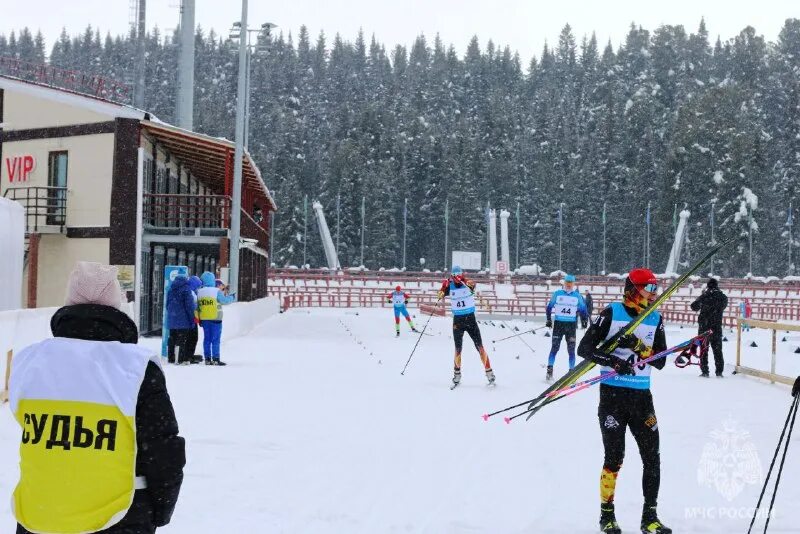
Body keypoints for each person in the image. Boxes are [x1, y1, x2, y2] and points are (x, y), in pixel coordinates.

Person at [9, 261, 184, 534]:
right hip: (119, 515)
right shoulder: (134, 368)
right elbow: (162, 448)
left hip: (40, 514)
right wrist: (160, 509)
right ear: (116, 307)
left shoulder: (31, 360)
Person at [577, 267, 671, 534]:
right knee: (614, 457)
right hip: (612, 397)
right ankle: (606, 516)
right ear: (633, 290)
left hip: (642, 398)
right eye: (649, 288)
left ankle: (650, 517)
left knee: (652, 458)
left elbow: (661, 361)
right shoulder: (612, 313)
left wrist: (639, 347)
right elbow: (585, 348)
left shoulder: (655, 318)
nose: (654, 294)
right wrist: (613, 361)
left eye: (656, 289)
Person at [437, 265, 495, 387]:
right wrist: (443, 287)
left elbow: (473, 285)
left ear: (462, 274)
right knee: (458, 349)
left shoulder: (467, 282)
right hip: (458, 321)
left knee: (480, 347)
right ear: (452, 276)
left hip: (470, 320)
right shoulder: (450, 285)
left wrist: (465, 282)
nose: (457, 277)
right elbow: (440, 295)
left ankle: (489, 373)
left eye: (459, 275)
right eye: (455, 275)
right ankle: (457, 375)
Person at [544, 274, 588, 381]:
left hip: (571, 326)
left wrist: (584, 320)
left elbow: (583, 309)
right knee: (555, 348)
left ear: (573, 284)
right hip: (558, 325)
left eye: (571, 283)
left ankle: (571, 372)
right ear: (564, 283)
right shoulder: (557, 294)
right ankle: (549, 370)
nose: (569, 285)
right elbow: (549, 307)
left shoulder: (577, 296)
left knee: (571, 350)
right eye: (567, 282)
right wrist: (549, 319)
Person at [690, 278, 728, 377]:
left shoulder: (704, 296)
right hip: (716, 327)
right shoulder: (722, 297)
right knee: (718, 351)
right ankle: (719, 372)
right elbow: (723, 306)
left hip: (704, 328)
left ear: (708, 286)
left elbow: (694, 307)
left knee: (704, 350)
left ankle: (705, 371)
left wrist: (703, 298)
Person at [197, 272, 236, 365]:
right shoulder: (216, 291)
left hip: (204, 318)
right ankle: (216, 358)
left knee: (207, 339)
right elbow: (224, 301)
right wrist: (232, 297)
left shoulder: (199, 292)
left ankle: (207, 358)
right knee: (215, 339)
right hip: (215, 318)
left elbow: (197, 306)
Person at [166, 274, 197, 365]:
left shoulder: (171, 290)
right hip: (183, 320)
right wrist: (192, 318)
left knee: (172, 338)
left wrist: (172, 314)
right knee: (181, 339)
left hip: (172, 319)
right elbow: (189, 307)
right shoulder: (186, 290)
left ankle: (171, 358)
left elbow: (167, 305)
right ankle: (179, 359)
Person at [187, 275, 203, 363]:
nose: (199, 288)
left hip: (192, 319)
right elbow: (193, 307)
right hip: (191, 319)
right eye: (198, 286)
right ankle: (189, 355)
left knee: (193, 338)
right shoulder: (191, 293)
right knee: (192, 338)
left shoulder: (192, 292)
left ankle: (190, 355)